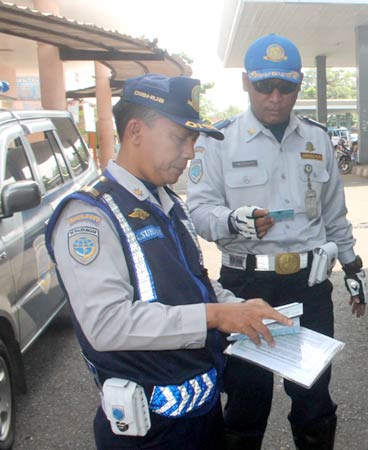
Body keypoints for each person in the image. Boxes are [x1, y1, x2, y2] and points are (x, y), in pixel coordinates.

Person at [45, 74, 291, 449]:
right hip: (148, 433)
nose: (191, 152)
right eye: (181, 138)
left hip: (202, 418)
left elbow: (195, 285)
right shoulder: (90, 216)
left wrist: (240, 308)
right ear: (136, 131)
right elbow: (106, 324)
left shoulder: (168, 204)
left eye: (193, 140)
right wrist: (215, 316)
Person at [186, 33, 365, 450]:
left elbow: (335, 216)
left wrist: (354, 268)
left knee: (314, 400)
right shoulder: (218, 140)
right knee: (248, 399)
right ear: (246, 82)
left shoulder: (318, 139)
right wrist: (233, 221)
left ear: (299, 84)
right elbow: (197, 212)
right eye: (264, 86)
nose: (275, 97)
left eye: (286, 87)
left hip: (308, 285)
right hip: (245, 287)